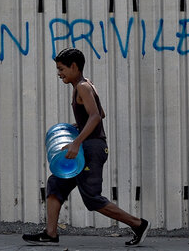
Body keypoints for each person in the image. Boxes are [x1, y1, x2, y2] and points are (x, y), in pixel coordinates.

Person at [22, 48, 150, 246]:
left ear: (74, 66)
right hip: (89, 146)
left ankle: (138, 224)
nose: (59, 73)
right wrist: (78, 127)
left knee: (92, 198)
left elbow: (96, 117)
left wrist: (76, 142)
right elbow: (101, 113)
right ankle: (51, 233)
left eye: (62, 69)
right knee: (56, 183)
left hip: (92, 149)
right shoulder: (85, 85)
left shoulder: (82, 86)